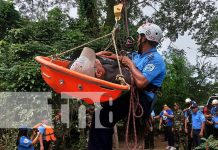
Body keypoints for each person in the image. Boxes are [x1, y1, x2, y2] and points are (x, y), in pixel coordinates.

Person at [75, 23, 166, 150]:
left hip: (142, 98)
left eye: (139, 36)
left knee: (103, 117)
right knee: (102, 115)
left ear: (144, 38)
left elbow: (141, 82)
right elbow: (123, 59)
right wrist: (104, 56)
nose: (138, 39)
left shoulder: (155, 59)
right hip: (131, 94)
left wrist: (129, 64)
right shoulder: (139, 56)